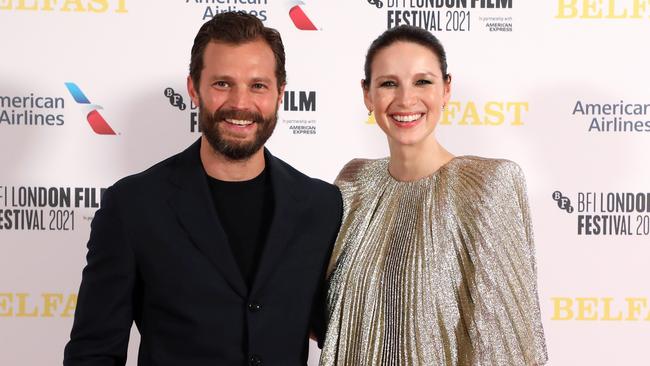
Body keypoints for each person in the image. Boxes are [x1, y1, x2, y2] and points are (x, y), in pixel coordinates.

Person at [64, 11, 342, 366]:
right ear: (194, 88)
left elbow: (346, 327)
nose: (240, 104)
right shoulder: (134, 206)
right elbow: (94, 353)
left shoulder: (321, 206)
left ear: (279, 94)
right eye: (222, 84)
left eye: (258, 85)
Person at [320, 25, 548, 365]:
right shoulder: (355, 184)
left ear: (446, 90)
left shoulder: (488, 185)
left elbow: (509, 345)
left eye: (422, 81)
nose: (406, 99)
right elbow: (326, 320)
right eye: (388, 83)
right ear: (367, 94)